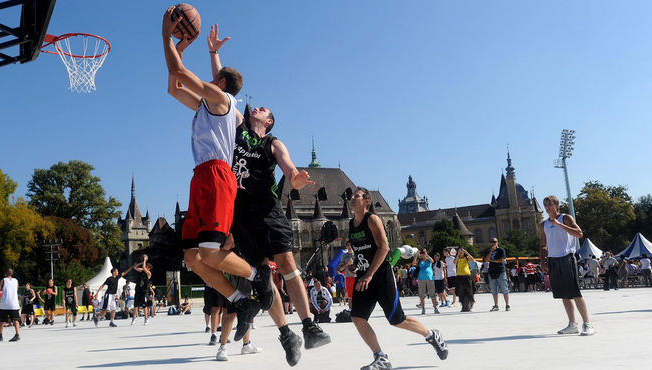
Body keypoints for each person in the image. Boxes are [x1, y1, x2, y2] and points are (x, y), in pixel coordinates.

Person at [206, 24, 331, 365]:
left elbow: (287, 166)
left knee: (287, 263)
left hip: (266, 209)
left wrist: (295, 176)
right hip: (239, 213)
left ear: (269, 121)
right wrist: (214, 52)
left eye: (262, 109)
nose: (255, 108)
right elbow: (223, 88)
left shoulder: (272, 142)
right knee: (263, 276)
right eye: (255, 107)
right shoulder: (234, 126)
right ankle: (286, 335)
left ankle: (308, 326)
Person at [163, 9, 268, 339]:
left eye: (213, 76)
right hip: (201, 177)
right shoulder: (206, 107)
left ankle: (258, 275)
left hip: (218, 177)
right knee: (194, 258)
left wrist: (167, 37)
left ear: (220, 83)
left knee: (210, 252)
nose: (208, 80)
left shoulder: (221, 98)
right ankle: (241, 301)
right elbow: (173, 87)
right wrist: (179, 49)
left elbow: (179, 72)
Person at [348, 187, 448, 370]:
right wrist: (355, 263)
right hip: (363, 278)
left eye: (357, 196)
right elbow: (361, 250)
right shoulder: (351, 224)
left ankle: (432, 335)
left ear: (366, 202)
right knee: (357, 317)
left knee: (397, 320)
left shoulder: (372, 219)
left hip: (380, 277)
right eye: (352, 196)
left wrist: (370, 274)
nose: (352, 198)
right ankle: (380, 357)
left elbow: (384, 248)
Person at [539, 195, 594, 336]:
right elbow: (543, 244)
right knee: (564, 294)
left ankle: (587, 324)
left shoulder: (565, 218)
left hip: (567, 257)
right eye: (545, 204)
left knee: (575, 292)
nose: (547, 207)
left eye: (550, 204)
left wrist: (559, 224)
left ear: (556, 205)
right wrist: (542, 260)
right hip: (553, 260)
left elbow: (579, 234)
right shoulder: (544, 224)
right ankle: (572, 324)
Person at [0, 268, 21, 342]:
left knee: (1, 320)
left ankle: (0, 335)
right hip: (14, 303)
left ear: (5, 273)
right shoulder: (16, 281)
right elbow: (16, 290)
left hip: (5, 303)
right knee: (15, 319)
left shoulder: (3, 280)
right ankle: (17, 334)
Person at [486, 238, 510, 311]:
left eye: (494, 242)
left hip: (500, 271)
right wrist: (491, 251)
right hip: (491, 271)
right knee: (494, 290)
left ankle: (507, 305)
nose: (493, 243)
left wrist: (491, 260)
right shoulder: (488, 251)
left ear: (497, 242)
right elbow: (486, 260)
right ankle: (496, 305)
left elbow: (501, 260)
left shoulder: (501, 250)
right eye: (491, 242)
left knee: (504, 288)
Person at [413, 249, 439, 315]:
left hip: (430, 278)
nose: (423, 254)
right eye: (422, 253)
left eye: (424, 252)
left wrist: (427, 255)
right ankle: (423, 309)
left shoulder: (428, 260)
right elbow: (414, 263)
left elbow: (432, 261)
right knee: (422, 294)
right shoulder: (419, 260)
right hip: (421, 279)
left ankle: (435, 308)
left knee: (432, 293)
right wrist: (417, 255)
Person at [131, 256, 152, 325]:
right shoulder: (141, 270)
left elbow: (144, 267)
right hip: (138, 289)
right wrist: (142, 261)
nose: (145, 266)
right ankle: (134, 318)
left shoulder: (148, 273)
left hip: (143, 291)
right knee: (135, 305)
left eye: (147, 266)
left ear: (149, 268)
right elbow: (134, 267)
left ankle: (146, 318)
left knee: (144, 305)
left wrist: (145, 260)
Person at [455, 247, 476, 312]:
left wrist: (466, 252)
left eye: (462, 251)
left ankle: (472, 305)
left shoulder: (466, 258)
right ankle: (463, 306)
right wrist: (458, 254)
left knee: (470, 291)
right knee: (461, 292)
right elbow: (455, 263)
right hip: (460, 277)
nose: (461, 252)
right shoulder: (457, 258)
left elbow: (472, 259)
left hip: (467, 277)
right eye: (460, 250)